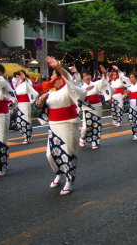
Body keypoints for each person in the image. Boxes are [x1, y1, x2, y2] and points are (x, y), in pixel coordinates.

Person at [37, 56, 86, 195]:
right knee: (50, 154)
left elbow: (68, 78)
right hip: (54, 125)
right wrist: (41, 101)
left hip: (67, 124)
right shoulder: (52, 91)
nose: (51, 76)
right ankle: (58, 173)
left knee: (67, 152)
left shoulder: (69, 87)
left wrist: (57, 67)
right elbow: (43, 106)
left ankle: (69, 180)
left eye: (53, 73)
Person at [79, 65, 108, 149]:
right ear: (82, 78)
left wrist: (104, 74)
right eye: (84, 76)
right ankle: (82, 137)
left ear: (90, 76)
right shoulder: (81, 88)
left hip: (97, 106)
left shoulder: (95, 84)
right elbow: (78, 97)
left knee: (96, 125)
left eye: (88, 75)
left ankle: (95, 142)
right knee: (86, 127)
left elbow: (103, 81)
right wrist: (85, 90)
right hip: (87, 108)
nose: (87, 77)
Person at [14, 70, 39, 144]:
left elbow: (30, 86)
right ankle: (24, 135)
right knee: (18, 121)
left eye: (18, 76)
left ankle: (28, 137)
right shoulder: (18, 84)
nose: (17, 77)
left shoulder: (26, 82)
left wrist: (25, 78)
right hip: (19, 103)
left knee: (26, 120)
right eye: (17, 76)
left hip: (25, 103)